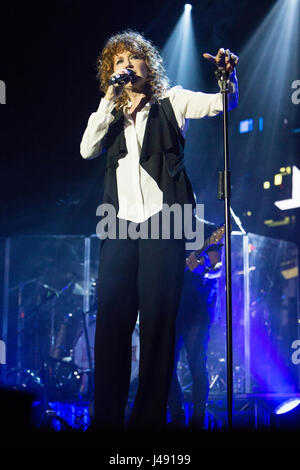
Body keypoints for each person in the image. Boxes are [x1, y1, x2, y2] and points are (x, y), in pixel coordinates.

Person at [80, 29, 238, 432]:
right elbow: (86, 149)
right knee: (113, 323)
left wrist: (228, 80)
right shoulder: (110, 116)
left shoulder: (172, 101)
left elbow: (223, 104)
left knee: (157, 324)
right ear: (109, 72)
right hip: (118, 226)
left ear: (149, 66)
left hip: (164, 226)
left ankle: (148, 422)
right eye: (118, 61)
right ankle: (106, 422)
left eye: (134, 58)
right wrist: (108, 101)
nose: (126, 65)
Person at [168, 224, 224, 430]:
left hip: (198, 309)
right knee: (167, 365)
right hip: (171, 306)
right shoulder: (166, 230)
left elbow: (218, 268)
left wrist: (204, 271)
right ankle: (176, 415)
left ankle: (199, 416)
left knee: (196, 361)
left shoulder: (207, 230)